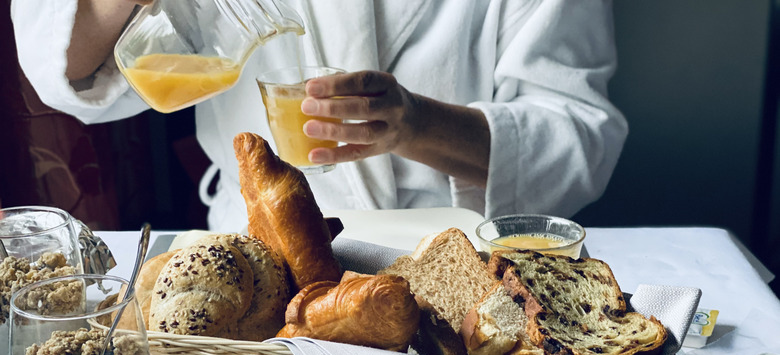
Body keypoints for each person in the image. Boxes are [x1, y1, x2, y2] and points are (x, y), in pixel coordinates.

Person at [10, 0, 627, 233]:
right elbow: (64, 69)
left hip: (455, 258)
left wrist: (416, 125)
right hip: (257, 245)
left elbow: (579, 136)